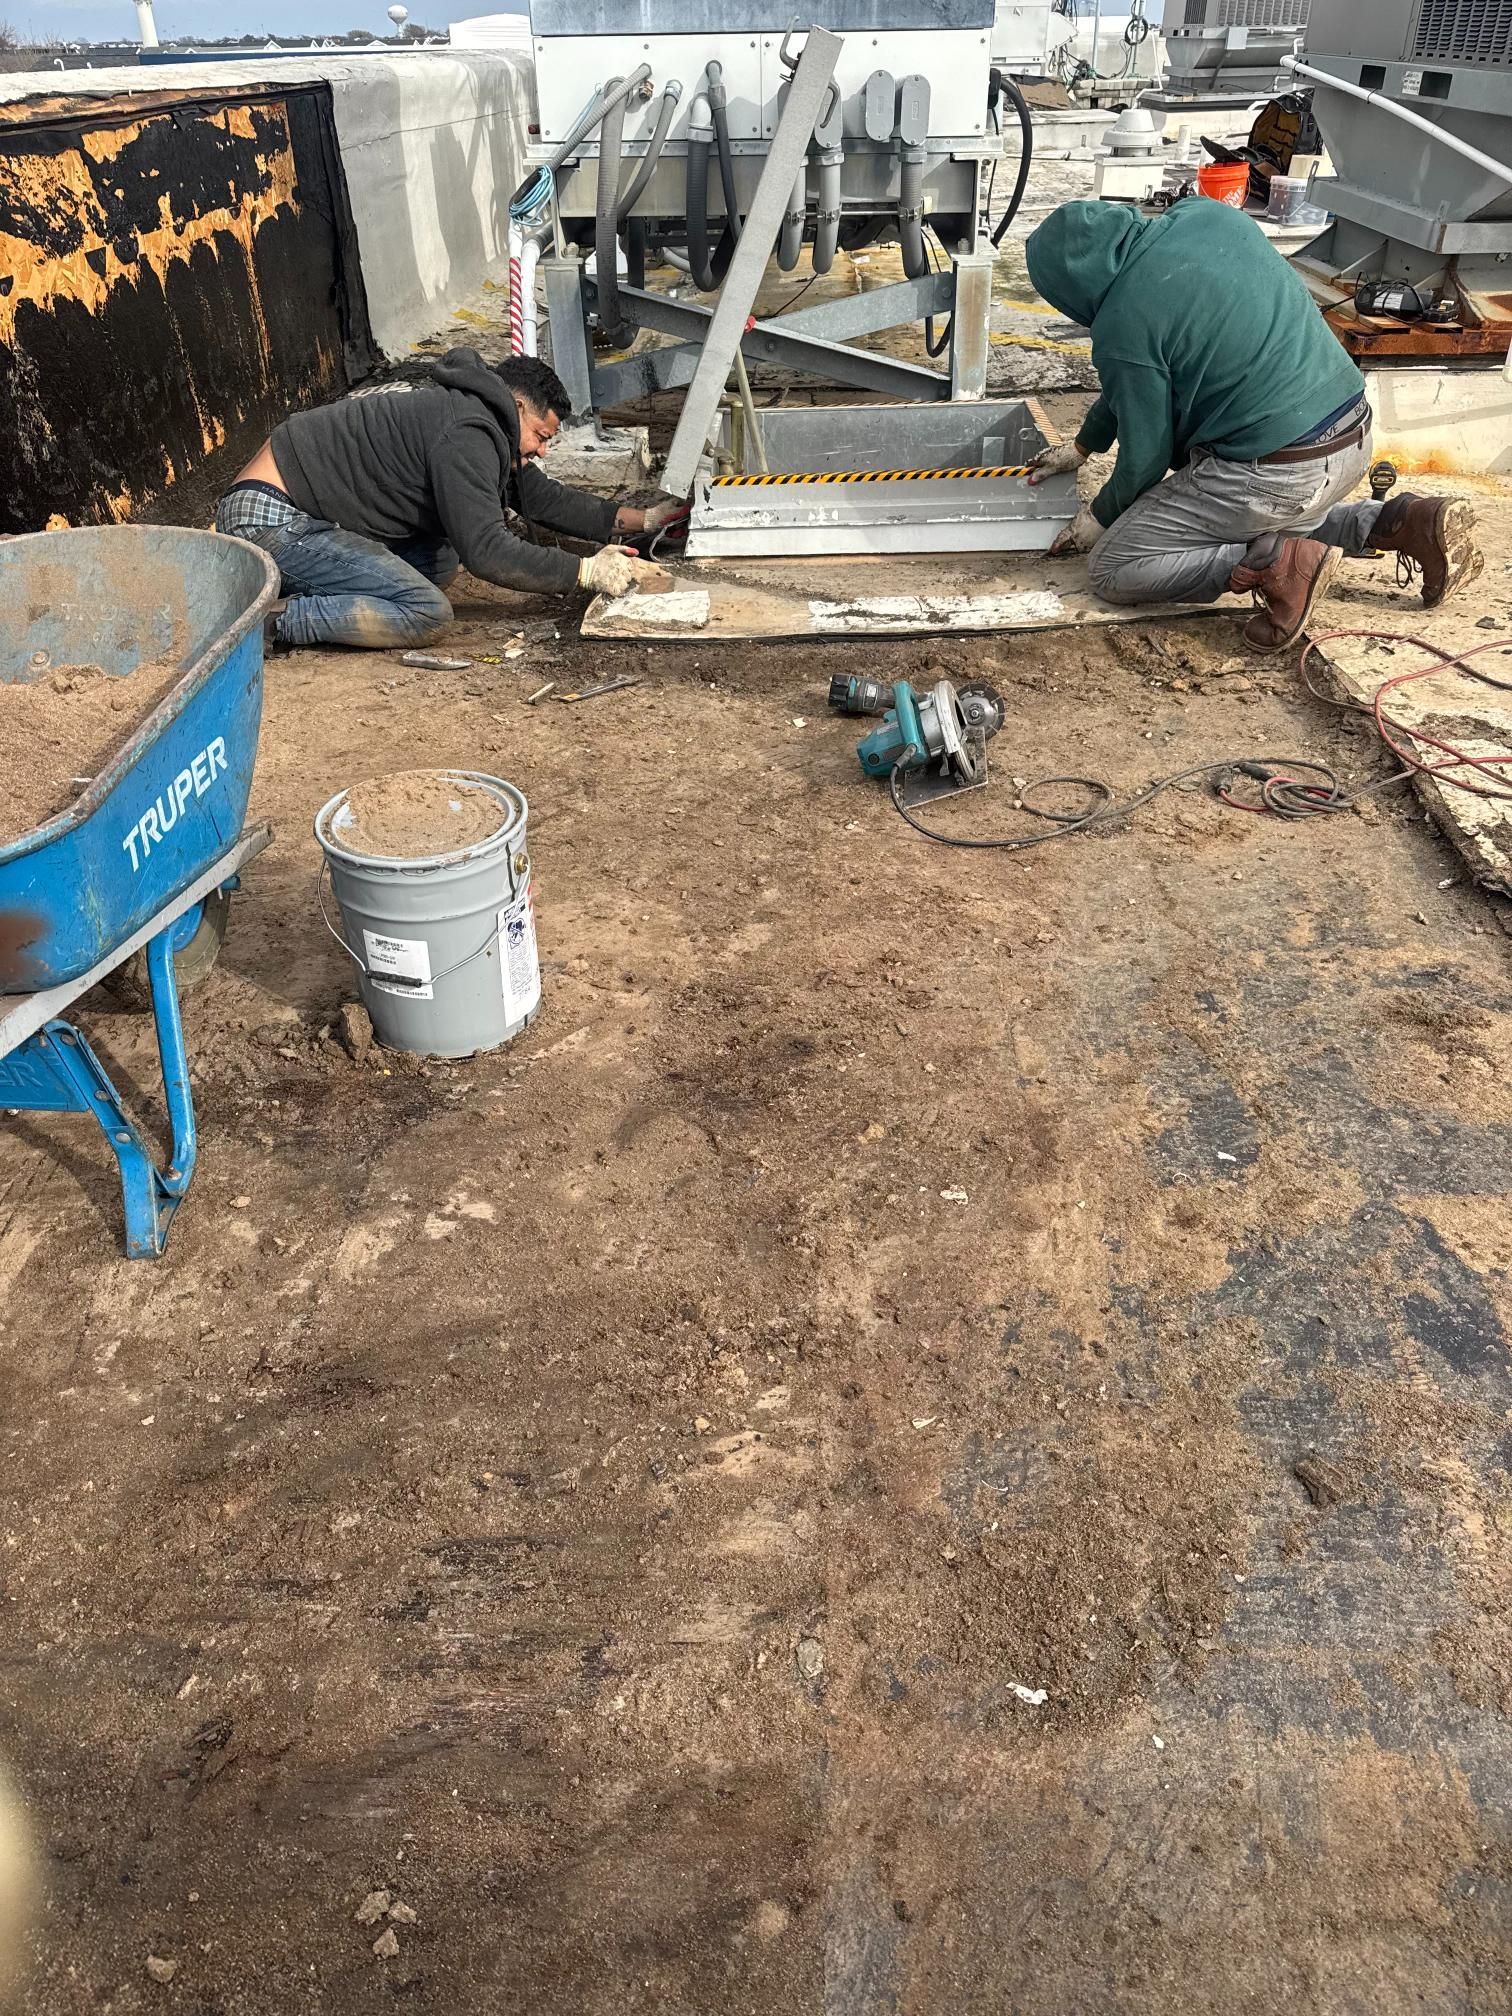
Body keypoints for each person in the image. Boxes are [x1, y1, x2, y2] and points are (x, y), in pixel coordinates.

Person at [1023, 200, 1483, 652]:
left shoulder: (1123, 325)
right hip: (1350, 435)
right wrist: (1084, 447)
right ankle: (1398, 521)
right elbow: (1134, 382)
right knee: (1273, 511)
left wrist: (1097, 518)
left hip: (1274, 474)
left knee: (1115, 566)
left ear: (1069, 289)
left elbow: (1143, 461)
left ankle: (1276, 566)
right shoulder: (1209, 216)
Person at [215, 350, 679, 650]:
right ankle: (273, 623)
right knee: (427, 612)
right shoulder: (467, 433)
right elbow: (488, 550)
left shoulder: (477, 416)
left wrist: (640, 519)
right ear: (517, 407)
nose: (542, 450)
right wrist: (584, 572)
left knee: (438, 562)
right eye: (541, 435)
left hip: (298, 513)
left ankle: (291, 585)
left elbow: (535, 495)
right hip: (269, 520)